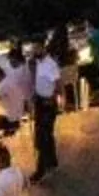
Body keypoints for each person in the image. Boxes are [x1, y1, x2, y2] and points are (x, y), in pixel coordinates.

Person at [30, 43, 64, 183]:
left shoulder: (50, 65)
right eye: (33, 49)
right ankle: (52, 162)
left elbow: (58, 84)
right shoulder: (38, 62)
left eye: (36, 48)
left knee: (43, 137)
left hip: (47, 104)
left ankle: (41, 170)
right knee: (45, 135)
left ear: (43, 48)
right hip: (40, 101)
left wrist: (55, 98)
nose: (34, 51)